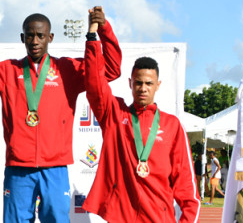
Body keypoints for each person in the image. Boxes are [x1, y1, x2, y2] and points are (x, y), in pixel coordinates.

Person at [0, 5, 122, 222]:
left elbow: (110, 69)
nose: (35, 41)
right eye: (30, 36)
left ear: (50, 37)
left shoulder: (67, 70)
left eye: (41, 36)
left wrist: (103, 30)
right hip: (18, 170)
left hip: (55, 168)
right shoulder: (7, 71)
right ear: (22, 38)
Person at [81, 19, 200, 222]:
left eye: (148, 83)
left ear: (157, 85)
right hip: (122, 217)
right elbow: (94, 83)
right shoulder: (115, 115)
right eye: (138, 83)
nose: (143, 88)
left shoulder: (171, 125)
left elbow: (186, 184)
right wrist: (95, 35)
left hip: (159, 217)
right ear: (130, 83)